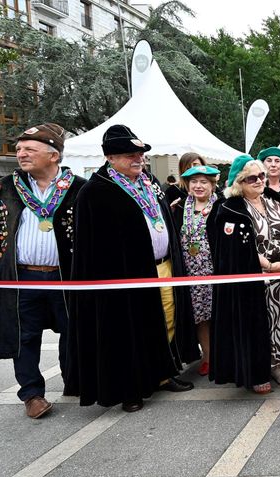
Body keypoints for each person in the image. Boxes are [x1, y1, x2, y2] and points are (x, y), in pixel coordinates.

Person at [68, 124, 198, 413]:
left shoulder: (148, 182)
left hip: (162, 267)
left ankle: (163, 373)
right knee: (128, 331)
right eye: (130, 154)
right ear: (110, 157)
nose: (138, 159)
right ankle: (131, 387)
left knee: (165, 322)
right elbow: (89, 247)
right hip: (124, 277)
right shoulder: (95, 191)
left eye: (140, 153)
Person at [0, 123, 85, 419]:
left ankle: (75, 381)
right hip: (21, 276)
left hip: (66, 276)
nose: (21, 154)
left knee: (73, 329)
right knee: (24, 336)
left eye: (29, 150)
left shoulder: (79, 188)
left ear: (53, 156)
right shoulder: (7, 187)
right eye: (20, 149)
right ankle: (32, 395)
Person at [209, 155, 280, 395]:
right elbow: (229, 248)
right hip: (254, 277)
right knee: (257, 322)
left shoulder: (275, 200)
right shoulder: (228, 208)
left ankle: (277, 361)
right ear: (239, 182)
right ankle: (258, 369)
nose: (259, 181)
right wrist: (265, 263)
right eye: (252, 178)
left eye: (262, 176)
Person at [172, 164, 221, 377]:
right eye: (194, 182)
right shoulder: (181, 207)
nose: (198, 186)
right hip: (191, 272)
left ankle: (223, 355)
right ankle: (208, 357)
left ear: (212, 184)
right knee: (200, 317)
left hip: (215, 270)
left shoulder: (221, 206)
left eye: (204, 182)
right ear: (187, 185)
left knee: (218, 314)